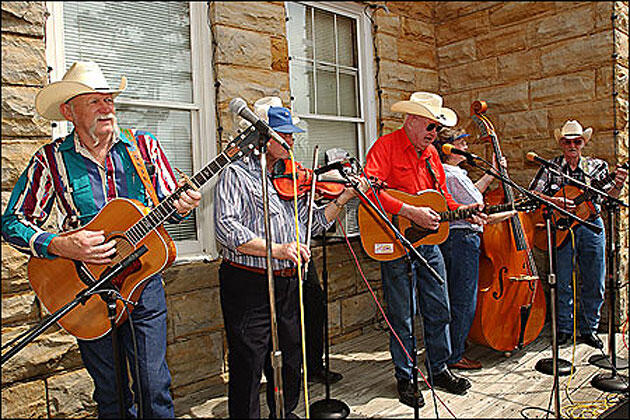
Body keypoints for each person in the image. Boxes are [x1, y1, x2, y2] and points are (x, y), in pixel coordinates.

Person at [1, 61, 201, 418]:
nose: (107, 107)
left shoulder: (144, 148)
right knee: (110, 394)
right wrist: (60, 244)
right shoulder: (50, 161)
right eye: (94, 101)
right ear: (68, 111)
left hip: (142, 282)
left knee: (154, 387)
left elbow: (171, 208)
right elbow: (13, 221)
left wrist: (183, 204)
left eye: (109, 99)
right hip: (86, 289)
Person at [214, 96, 362, 418]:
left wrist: (344, 198)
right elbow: (226, 229)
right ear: (264, 137)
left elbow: (316, 222)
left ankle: (284, 412)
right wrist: (278, 249)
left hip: (287, 282)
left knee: (291, 356)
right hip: (248, 281)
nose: (292, 140)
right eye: (285, 134)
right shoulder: (235, 174)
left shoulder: (290, 179)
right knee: (250, 361)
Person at [363, 92, 486, 407]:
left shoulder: (432, 154)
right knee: (402, 315)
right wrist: (408, 210)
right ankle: (405, 377)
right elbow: (369, 192)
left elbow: (442, 198)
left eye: (436, 128)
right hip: (395, 242)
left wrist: (464, 210)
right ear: (411, 120)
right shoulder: (385, 148)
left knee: (439, 307)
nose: (434, 134)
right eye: (430, 127)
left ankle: (439, 367)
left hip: (428, 243)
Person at [528, 120, 627, 349]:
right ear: (561, 144)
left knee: (594, 279)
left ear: (583, 143)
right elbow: (533, 193)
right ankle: (564, 328)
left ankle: (589, 328)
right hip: (562, 228)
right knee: (562, 280)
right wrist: (555, 201)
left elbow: (608, 197)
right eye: (567, 141)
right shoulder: (550, 167)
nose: (572, 145)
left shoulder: (597, 167)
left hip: (591, 226)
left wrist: (619, 185)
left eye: (577, 141)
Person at [434, 127, 516, 370]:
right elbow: (480, 211)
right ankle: (455, 354)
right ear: (450, 148)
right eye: (463, 143)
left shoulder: (451, 173)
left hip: (454, 238)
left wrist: (491, 173)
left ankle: (453, 345)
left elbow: (473, 196)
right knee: (463, 298)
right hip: (463, 239)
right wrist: (512, 213)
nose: (467, 148)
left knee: (455, 295)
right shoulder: (453, 175)